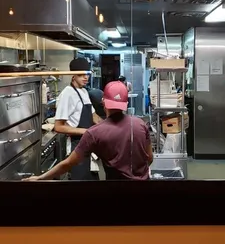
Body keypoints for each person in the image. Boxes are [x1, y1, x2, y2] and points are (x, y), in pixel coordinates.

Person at [23, 80, 153, 181]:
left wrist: (40, 178)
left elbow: (68, 164)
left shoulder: (94, 133)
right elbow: (149, 159)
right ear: (126, 103)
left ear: (103, 102)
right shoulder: (140, 124)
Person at [53, 57, 102, 181]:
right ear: (73, 75)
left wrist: (110, 126)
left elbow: (94, 117)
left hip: (88, 145)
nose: (86, 77)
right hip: (76, 148)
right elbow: (58, 126)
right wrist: (86, 132)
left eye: (87, 74)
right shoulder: (67, 94)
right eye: (81, 75)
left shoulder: (84, 92)